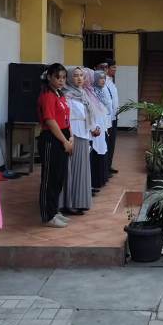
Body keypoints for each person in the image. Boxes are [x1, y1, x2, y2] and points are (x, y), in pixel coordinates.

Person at [38, 63, 72, 228]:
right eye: (57, 77)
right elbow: (50, 121)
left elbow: (66, 117)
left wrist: (70, 137)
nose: (61, 80)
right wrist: (64, 141)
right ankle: (47, 215)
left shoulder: (60, 95)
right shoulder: (47, 96)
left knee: (59, 177)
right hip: (52, 139)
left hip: (63, 136)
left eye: (64, 77)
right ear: (50, 77)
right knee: (49, 179)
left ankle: (54, 210)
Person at [60, 67, 96, 215]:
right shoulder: (67, 95)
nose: (79, 78)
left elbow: (87, 114)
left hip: (84, 134)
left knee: (82, 170)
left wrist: (93, 127)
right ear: (69, 78)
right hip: (74, 135)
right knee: (73, 170)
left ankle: (80, 201)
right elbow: (67, 117)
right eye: (75, 76)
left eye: (81, 75)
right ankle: (70, 203)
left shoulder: (83, 94)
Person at [88, 69, 111, 191]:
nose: (102, 80)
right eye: (100, 78)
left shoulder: (100, 91)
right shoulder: (92, 93)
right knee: (96, 152)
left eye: (104, 78)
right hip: (94, 127)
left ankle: (101, 179)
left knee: (103, 150)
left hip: (102, 125)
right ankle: (95, 181)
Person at [97, 59, 120, 177]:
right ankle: (105, 168)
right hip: (106, 119)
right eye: (113, 67)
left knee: (111, 144)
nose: (115, 69)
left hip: (113, 116)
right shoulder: (102, 83)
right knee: (106, 144)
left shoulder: (110, 81)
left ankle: (109, 165)